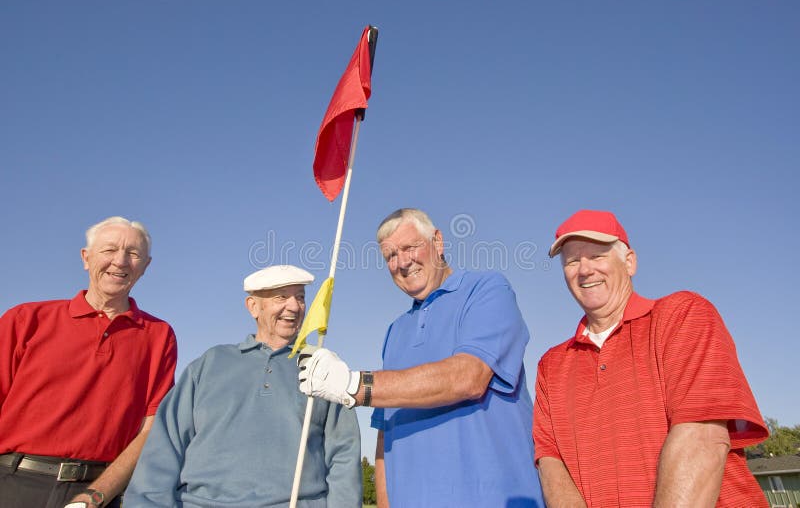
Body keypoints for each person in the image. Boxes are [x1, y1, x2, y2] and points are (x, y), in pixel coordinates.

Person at [298, 208, 543, 507]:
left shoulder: (487, 289)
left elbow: (469, 377)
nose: (401, 263)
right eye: (390, 256)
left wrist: (353, 385)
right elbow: (384, 433)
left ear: (438, 242)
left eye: (409, 247)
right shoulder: (395, 332)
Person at [534, 209, 769, 507]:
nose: (584, 270)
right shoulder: (550, 366)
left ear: (629, 262)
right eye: (572, 261)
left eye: (597, 256)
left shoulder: (683, 316)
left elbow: (701, 440)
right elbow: (552, 465)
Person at [125, 264, 361, 507]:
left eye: (300, 297)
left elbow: (344, 454)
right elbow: (164, 445)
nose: (294, 306)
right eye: (281, 297)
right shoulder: (210, 364)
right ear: (253, 307)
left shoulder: (323, 367)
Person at [0, 216, 178, 508]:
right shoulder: (25, 320)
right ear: (86, 258)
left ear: (145, 267)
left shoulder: (159, 336)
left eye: (133, 254)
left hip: (96, 493)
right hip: (12, 483)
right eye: (109, 250)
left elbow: (151, 429)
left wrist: (95, 496)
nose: (120, 261)